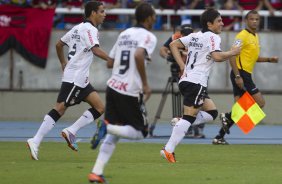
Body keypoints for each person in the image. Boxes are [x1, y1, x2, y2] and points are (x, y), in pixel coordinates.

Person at [27, 1, 112, 161]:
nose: (104, 14)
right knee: (60, 108)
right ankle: (35, 140)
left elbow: (59, 45)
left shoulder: (77, 28)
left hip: (81, 78)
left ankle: (71, 131)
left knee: (99, 107)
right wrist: (111, 59)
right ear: (93, 13)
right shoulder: (89, 29)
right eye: (101, 11)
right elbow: (95, 49)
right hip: (75, 78)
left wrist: (63, 63)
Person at [160, 7, 241, 163]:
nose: (222, 23)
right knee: (189, 117)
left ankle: (181, 122)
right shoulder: (213, 37)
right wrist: (232, 52)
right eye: (219, 21)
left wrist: (182, 66)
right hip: (196, 81)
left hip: (187, 80)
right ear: (209, 24)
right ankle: (168, 149)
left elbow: (173, 45)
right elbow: (217, 56)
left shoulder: (195, 35)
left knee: (212, 113)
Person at [87, 2, 157, 183]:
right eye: (154, 16)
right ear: (149, 18)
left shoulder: (124, 34)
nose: (155, 18)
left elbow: (110, 63)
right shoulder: (148, 37)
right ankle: (105, 127)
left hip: (113, 86)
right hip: (130, 91)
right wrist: (146, 84)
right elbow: (138, 55)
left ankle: (96, 172)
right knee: (141, 132)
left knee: (115, 134)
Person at [212, 10, 279, 145]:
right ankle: (227, 116)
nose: (254, 21)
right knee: (260, 103)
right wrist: (238, 76)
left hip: (245, 74)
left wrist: (269, 59)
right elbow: (232, 55)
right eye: (251, 19)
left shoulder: (255, 36)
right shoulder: (242, 35)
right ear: (246, 21)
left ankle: (219, 137)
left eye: (257, 19)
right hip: (241, 73)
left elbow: (253, 58)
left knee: (240, 109)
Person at [160, 24, 206, 138]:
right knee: (189, 100)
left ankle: (194, 125)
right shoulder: (175, 38)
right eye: (183, 35)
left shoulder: (197, 39)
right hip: (182, 73)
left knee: (199, 100)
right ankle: (187, 126)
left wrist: (182, 53)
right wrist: (168, 57)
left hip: (195, 73)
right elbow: (163, 49)